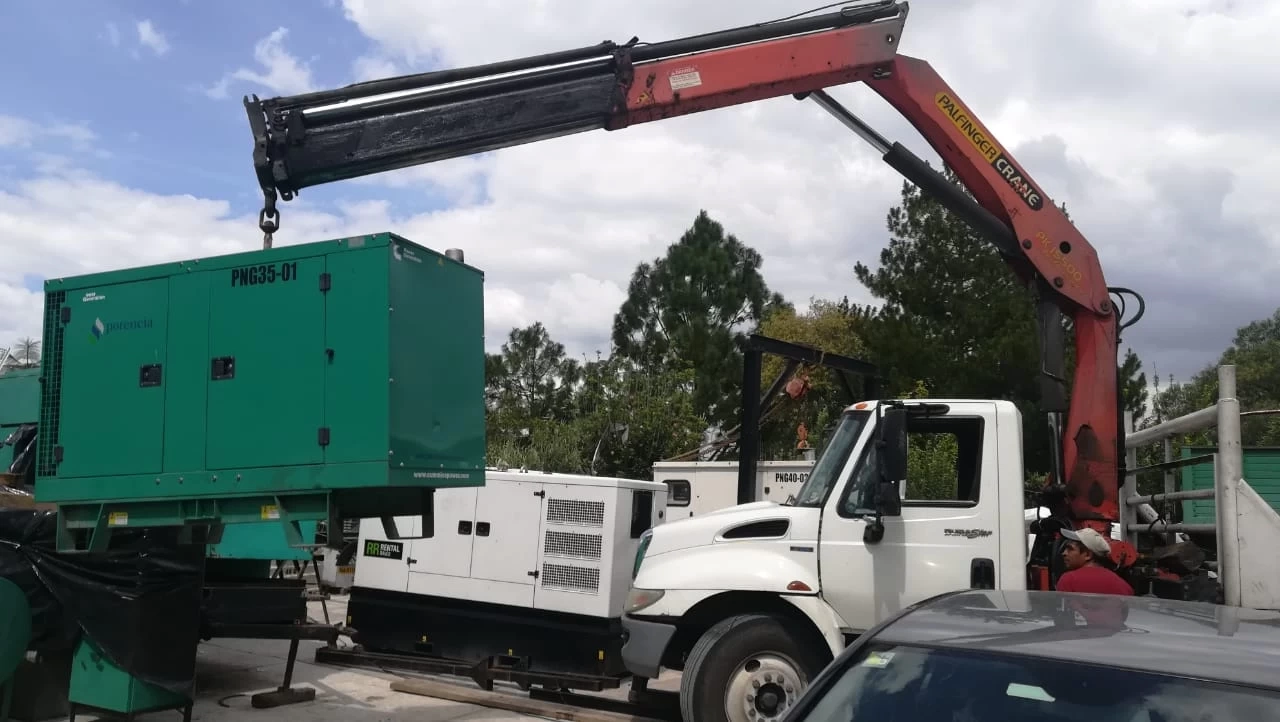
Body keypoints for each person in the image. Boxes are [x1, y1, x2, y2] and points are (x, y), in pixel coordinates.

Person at [1056, 527, 1134, 596]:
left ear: (1088, 555)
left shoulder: (1068, 580)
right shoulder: (1124, 587)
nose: (1064, 553)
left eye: (1070, 549)